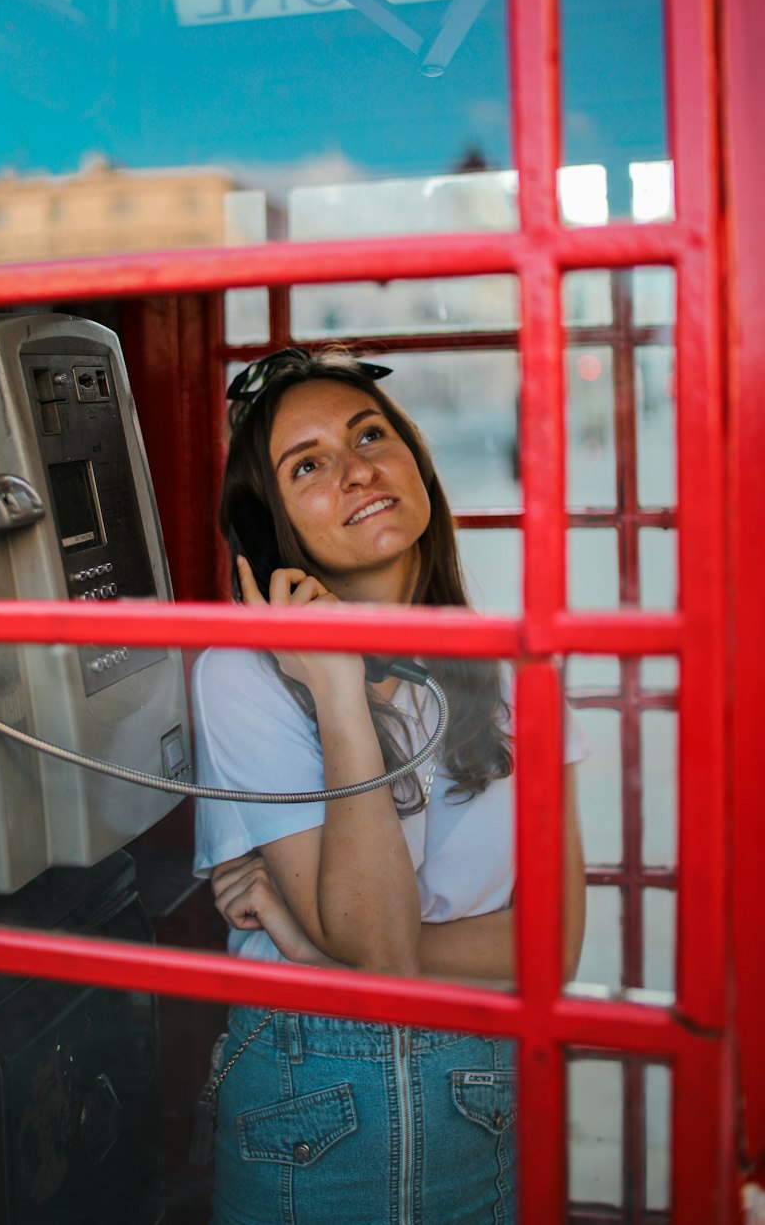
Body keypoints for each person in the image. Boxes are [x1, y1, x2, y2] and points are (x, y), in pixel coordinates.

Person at [192, 347, 587, 1225]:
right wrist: (337, 688)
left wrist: (304, 939)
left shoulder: (519, 670)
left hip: (476, 1093)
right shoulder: (243, 676)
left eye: (370, 434)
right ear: (270, 531)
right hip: (306, 1090)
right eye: (309, 465)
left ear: (416, 458)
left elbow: (551, 951)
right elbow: (379, 945)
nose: (357, 468)